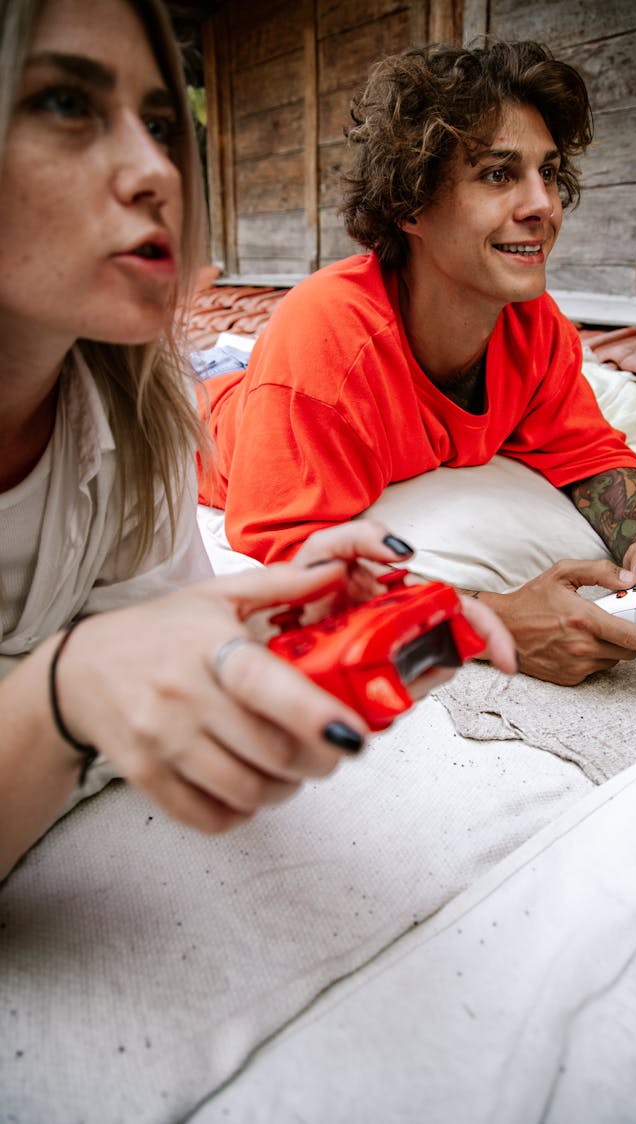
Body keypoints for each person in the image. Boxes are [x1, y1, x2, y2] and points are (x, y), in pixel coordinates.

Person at [0, 0, 516, 881]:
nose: (155, 167)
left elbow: (152, 650)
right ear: (411, 209)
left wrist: (269, 637)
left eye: (164, 123)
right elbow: (99, 680)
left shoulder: (140, 418)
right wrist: (61, 697)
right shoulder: (323, 328)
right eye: (64, 103)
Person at [197, 39, 636, 686]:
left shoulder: (535, 329)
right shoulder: (327, 338)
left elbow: (593, 459)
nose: (543, 205)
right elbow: (291, 573)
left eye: (548, 171)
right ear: (410, 204)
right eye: (498, 174)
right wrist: (494, 622)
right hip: (196, 425)